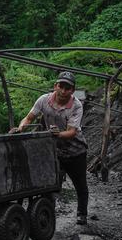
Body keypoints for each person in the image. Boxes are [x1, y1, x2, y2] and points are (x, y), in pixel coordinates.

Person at [9, 71, 89, 225]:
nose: (63, 91)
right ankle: (47, 215)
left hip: (75, 151)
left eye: (68, 88)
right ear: (55, 86)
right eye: (61, 86)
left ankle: (82, 214)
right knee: (49, 184)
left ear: (73, 90)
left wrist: (58, 135)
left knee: (80, 184)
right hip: (54, 151)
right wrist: (20, 128)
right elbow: (29, 117)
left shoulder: (76, 105)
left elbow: (72, 132)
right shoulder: (44, 100)